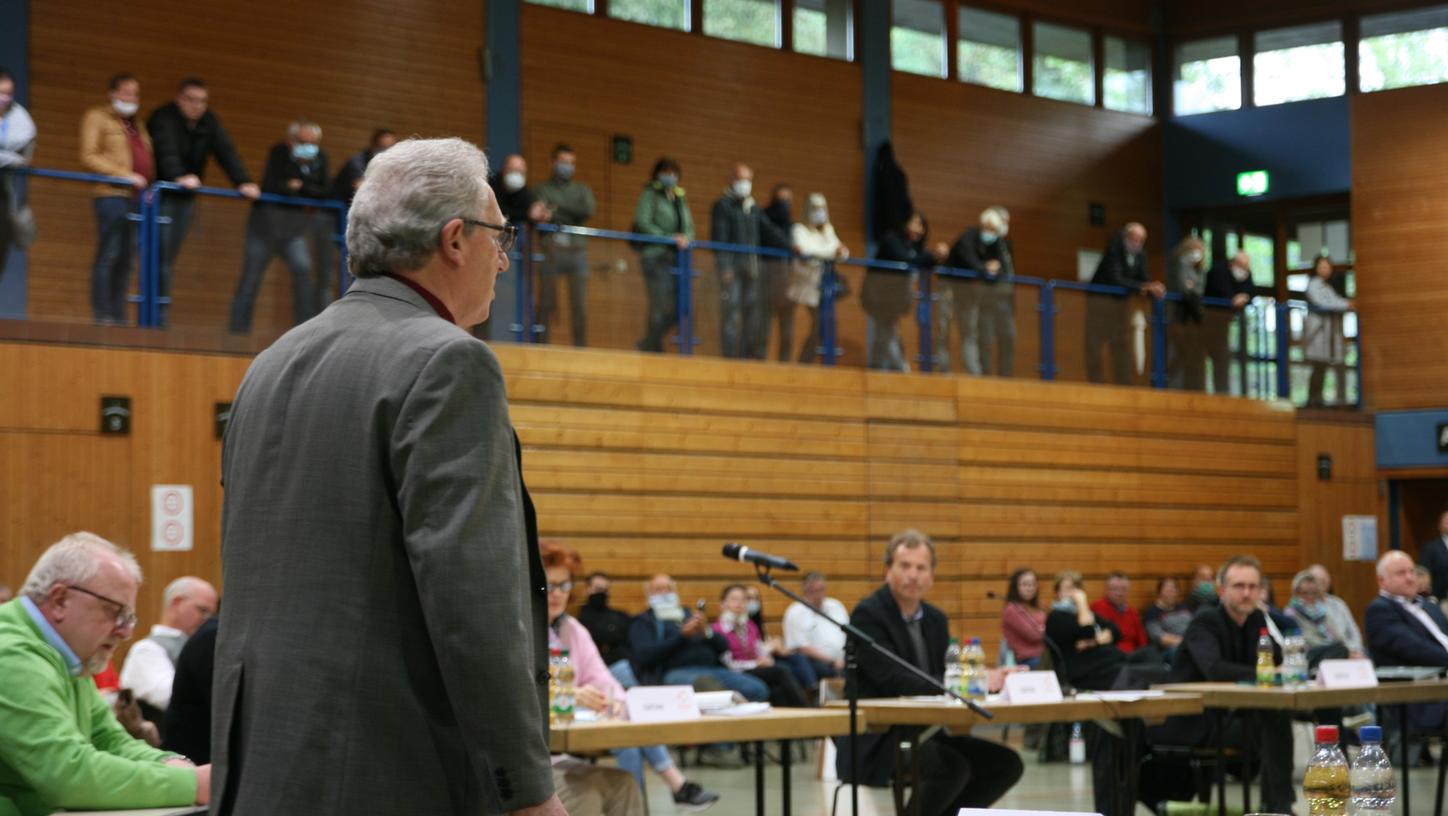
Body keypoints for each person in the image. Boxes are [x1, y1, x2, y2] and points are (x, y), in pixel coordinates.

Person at [214, 137, 564, 815]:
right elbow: (473, 604)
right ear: (456, 240)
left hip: (262, 768)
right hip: (389, 775)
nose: (505, 256)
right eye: (500, 235)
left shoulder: (269, 364)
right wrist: (526, 790)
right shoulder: (447, 363)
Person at [0, 532, 209, 812]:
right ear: (60, 599)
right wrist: (193, 784)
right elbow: (69, 775)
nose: (126, 632)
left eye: (129, 617)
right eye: (115, 611)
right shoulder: (11, 654)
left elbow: (108, 740)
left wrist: (170, 764)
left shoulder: (68, 655)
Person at [839, 529, 1023, 816]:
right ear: (888, 570)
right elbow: (895, 680)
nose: (913, 575)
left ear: (932, 576)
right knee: (951, 767)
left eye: (921, 568)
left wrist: (990, 678)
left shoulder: (936, 619)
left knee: (1006, 764)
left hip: (929, 731)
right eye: (905, 566)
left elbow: (944, 675)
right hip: (880, 740)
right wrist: (974, 680)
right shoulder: (868, 615)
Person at [540, 543, 710, 812]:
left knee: (624, 783)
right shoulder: (516, 630)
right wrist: (568, 695)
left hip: (561, 749)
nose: (556, 594)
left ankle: (676, 783)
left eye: (564, 585)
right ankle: (677, 783)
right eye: (547, 586)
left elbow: (604, 681)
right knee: (586, 793)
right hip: (528, 760)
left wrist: (616, 701)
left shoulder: (572, 629)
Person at [1150, 556, 1294, 814]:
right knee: (1271, 721)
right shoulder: (1205, 621)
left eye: (1253, 586)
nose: (1247, 593)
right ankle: (1277, 807)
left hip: (1231, 714)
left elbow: (1279, 662)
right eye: (1239, 586)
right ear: (1221, 590)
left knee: (1276, 714)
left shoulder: (1256, 620)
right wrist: (1267, 674)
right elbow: (1214, 669)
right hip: (1194, 720)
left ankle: (1276, 805)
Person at [146, 77, 259, 327]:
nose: (197, 106)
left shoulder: (209, 122)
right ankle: (154, 318)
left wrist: (243, 181)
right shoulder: (163, 118)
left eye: (202, 102)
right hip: (160, 195)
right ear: (180, 99)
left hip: (185, 197)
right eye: (192, 100)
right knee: (158, 256)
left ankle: (159, 313)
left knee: (168, 258)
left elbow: (226, 151)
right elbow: (165, 152)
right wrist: (178, 176)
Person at [227, 120, 329, 334]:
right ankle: (237, 332)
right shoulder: (279, 152)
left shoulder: (321, 159)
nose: (309, 146)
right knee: (251, 278)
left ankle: (305, 333)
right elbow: (274, 185)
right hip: (263, 228)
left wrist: (300, 185)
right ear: (290, 141)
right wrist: (303, 189)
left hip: (294, 231)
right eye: (303, 141)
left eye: (313, 143)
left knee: (303, 271)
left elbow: (325, 191)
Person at [80, 73, 153, 326]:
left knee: (126, 259)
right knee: (108, 255)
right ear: (112, 93)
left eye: (135, 94)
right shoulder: (97, 117)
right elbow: (89, 156)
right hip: (111, 195)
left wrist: (148, 185)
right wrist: (125, 176)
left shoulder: (137, 124)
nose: (131, 98)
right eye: (126, 93)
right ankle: (103, 315)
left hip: (136, 199)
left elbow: (144, 159)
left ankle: (119, 316)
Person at [628, 573, 767, 701]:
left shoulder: (689, 614)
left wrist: (707, 632)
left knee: (757, 688)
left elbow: (724, 646)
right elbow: (644, 655)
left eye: (668, 588)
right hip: (674, 672)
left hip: (712, 668)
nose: (664, 593)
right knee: (709, 687)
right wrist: (681, 636)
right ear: (649, 594)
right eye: (658, 589)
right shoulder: (644, 621)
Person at [1365, 550, 1448, 735]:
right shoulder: (1380, 610)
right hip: (1419, 696)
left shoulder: (1430, 606)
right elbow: (1416, 649)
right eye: (1401, 573)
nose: (1410, 578)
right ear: (1382, 581)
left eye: (1412, 572)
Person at [119, 575, 217, 725]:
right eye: (202, 610)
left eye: (211, 614)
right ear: (177, 603)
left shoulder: (203, 644)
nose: (207, 619)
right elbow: (173, 698)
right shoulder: (146, 650)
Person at [711, 163, 785, 360]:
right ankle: (729, 358)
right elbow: (719, 238)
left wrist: (792, 245)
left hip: (753, 271)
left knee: (753, 318)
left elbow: (769, 231)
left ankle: (745, 358)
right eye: (741, 179)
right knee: (731, 315)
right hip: (732, 272)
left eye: (748, 180)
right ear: (732, 180)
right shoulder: (723, 205)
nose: (745, 184)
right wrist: (725, 267)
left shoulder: (753, 209)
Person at [533, 143, 597, 346]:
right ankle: (541, 346)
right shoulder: (542, 188)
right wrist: (570, 213)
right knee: (546, 303)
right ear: (553, 162)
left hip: (577, 252)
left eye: (571, 163)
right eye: (563, 162)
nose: (567, 166)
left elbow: (587, 210)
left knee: (580, 305)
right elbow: (542, 215)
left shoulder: (582, 189)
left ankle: (580, 349)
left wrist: (556, 209)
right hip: (551, 250)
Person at [1086, 222, 1164, 384]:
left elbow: (1144, 278)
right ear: (1125, 237)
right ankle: (1096, 383)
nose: (1137, 243)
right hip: (1099, 306)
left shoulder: (1140, 255)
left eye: (1141, 240)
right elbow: (1116, 279)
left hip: (1119, 309)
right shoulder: (1114, 250)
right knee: (1094, 346)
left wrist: (1153, 286)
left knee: (1121, 346)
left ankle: (1124, 384)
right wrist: (1143, 287)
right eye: (1135, 238)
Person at [940, 207, 1014, 376]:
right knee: (943, 330)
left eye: (994, 231)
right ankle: (944, 368)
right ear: (982, 224)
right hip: (949, 288)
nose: (991, 234)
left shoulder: (996, 243)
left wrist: (991, 270)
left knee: (970, 333)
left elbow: (1002, 271)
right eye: (989, 229)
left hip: (970, 294)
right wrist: (986, 268)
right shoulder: (968, 236)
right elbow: (972, 262)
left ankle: (974, 372)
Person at [868, 212, 946, 372]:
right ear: (904, 224)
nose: (918, 229)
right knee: (886, 333)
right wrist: (932, 256)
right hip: (879, 296)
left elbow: (923, 261)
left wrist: (937, 256)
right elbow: (905, 260)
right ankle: (901, 369)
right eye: (914, 223)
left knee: (885, 333)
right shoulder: (891, 239)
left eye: (921, 226)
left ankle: (876, 370)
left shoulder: (915, 248)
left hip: (897, 299)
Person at [634, 157, 694, 353]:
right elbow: (642, 222)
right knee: (659, 303)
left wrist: (686, 238)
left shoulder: (679, 198)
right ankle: (653, 347)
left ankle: (650, 342)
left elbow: (689, 227)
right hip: (655, 256)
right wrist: (668, 237)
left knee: (680, 307)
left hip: (676, 259)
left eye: (674, 173)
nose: (670, 176)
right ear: (657, 174)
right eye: (666, 172)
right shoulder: (649, 194)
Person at [715, 584, 810, 705]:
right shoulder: (718, 630)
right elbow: (728, 664)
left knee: (778, 689)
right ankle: (806, 709)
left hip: (755, 668)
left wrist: (768, 654)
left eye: (743, 600)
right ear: (722, 605)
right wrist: (755, 663)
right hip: (737, 672)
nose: (739, 604)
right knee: (781, 671)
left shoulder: (750, 626)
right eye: (734, 599)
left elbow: (759, 650)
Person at [787, 193, 847, 363]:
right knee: (817, 324)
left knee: (824, 326)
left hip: (824, 285)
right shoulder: (799, 229)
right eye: (815, 208)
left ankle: (806, 361)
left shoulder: (828, 230)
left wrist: (834, 253)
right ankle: (800, 363)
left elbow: (842, 252)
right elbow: (805, 252)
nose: (819, 212)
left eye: (822, 208)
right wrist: (830, 253)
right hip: (804, 285)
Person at [1046, 572, 1125, 690]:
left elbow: (1115, 631)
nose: (1075, 594)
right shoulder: (1056, 616)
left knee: (1147, 656)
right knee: (1134, 669)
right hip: (1083, 673)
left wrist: (1094, 642)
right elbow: (1087, 630)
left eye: (1077, 588)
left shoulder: (1085, 614)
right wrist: (1082, 602)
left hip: (1104, 664)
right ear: (1058, 593)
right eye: (1069, 588)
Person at [162, 613, 218, 764]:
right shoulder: (212, 636)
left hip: (195, 764)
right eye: (201, 609)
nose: (203, 616)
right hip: (192, 765)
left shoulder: (212, 633)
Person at [0, 67, 37, 282]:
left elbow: (27, 158)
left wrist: (13, 159)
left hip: (5, 197)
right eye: (0, 92)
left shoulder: (22, 120)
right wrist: (10, 158)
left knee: (2, 247)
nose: (5, 98)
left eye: (8, 93)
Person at [1304, 255, 1354, 406]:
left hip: (1331, 332)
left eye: (1327, 267)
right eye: (1322, 266)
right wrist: (1346, 305)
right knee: (1318, 367)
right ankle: (1313, 399)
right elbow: (1324, 304)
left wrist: (1346, 303)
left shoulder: (1327, 286)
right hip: (1318, 332)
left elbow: (1335, 300)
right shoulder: (1313, 285)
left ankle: (1338, 398)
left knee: (1331, 365)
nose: (1325, 270)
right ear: (1316, 268)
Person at [1202, 249, 1254, 394]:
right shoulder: (1218, 272)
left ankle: (1222, 393)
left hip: (1223, 326)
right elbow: (1221, 291)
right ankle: (1200, 392)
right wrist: (1233, 298)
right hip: (1205, 322)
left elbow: (1250, 290)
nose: (1244, 270)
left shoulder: (1245, 274)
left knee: (1222, 359)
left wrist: (1244, 296)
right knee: (1201, 358)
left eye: (1246, 267)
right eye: (1241, 265)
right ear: (1232, 263)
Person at [1283, 569, 1356, 666]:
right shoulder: (1290, 613)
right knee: (1339, 650)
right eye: (1305, 593)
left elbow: (1338, 636)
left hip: (1330, 651)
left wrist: (1350, 650)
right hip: (1308, 654)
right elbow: (1305, 640)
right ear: (1296, 593)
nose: (1310, 596)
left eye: (1314, 593)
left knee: (1345, 650)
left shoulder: (1322, 611)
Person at [783, 571, 848, 680]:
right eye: (813, 591)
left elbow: (848, 633)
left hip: (843, 658)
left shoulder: (836, 606)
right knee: (826, 671)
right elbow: (801, 648)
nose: (818, 595)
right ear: (805, 591)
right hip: (816, 661)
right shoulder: (795, 612)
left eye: (821, 590)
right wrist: (833, 661)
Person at [757, 184, 795, 360]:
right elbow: (773, 240)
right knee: (764, 327)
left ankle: (785, 363)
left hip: (787, 283)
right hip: (766, 281)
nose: (784, 204)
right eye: (781, 200)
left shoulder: (791, 225)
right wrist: (791, 247)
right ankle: (760, 360)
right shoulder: (764, 218)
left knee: (787, 331)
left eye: (787, 200)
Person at [1166, 234, 1208, 390]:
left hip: (1191, 317)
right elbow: (1183, 287)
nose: (1196, 254)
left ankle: (1189, 387)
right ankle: (1168, 383)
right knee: (1177, 350)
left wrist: (1191, 288)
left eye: (1199, 250)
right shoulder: (1180, 263)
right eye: (1193, 250)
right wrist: (1190, 288)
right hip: (1177, 314)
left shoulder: (1200, 269)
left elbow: (1199, 289)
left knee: (1189, 353)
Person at [577, 571, 634, 676]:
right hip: (597, 669)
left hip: (621, 664)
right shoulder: (581, 619)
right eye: (597, 589)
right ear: (587, 590)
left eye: (604, 590)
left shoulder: (620, 615)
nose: (601, 593)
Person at [1306, 563, 1366, 656]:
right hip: (1326, 655)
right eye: (1319, 580)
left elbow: (1354, 633)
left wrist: (1353, 649)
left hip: (1350, 651)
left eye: (1325, 578)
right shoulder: (1305, 607)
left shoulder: (1338, 603)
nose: (1323, 582)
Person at [329, 128, 396, 204]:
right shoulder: (357, 161)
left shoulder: (387, 165)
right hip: (340, 207)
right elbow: (360, 188)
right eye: (382, 148)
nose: (387, 152)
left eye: (390, 148)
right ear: (373, 145)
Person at [1090, 572, 1149, 655]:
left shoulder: (1132, 612)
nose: (1119, 593)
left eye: (1123, 589)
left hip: (1133, 656)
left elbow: (1142, 641)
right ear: (1106, 590)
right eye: (1115, 589)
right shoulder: (1097, 607)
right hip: (1110, 655)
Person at [1000, 567, 1045, 669]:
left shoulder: (1039, 606)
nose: (1030, 588)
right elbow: (1034, 635)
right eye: (1025, 584)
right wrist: (1046, 629)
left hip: (1043, 655)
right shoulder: (1012, 609)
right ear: (1015, 587)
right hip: (1025, 660)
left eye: (1033, 584)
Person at [1141, 576, 1191, 658]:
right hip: (1169, 648)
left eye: (1174, 589)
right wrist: (1184, 642)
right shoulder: (1152, 612)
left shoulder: (1184, 607)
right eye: (1168, 589)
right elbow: (1158, 636)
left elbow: (1195, 625)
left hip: (1190, 642)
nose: (1171, 592)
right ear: (1160, 592)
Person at [1417, 510, 1448, 599]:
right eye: (1446, 522)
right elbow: (1423, 573)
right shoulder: (1430, 548)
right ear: (1440, 526)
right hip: (1440, 598)